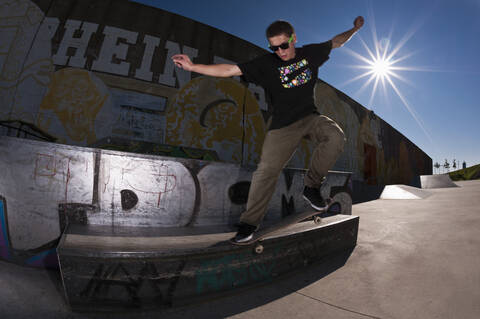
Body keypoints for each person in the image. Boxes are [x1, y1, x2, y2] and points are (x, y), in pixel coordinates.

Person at [172, 16, 365, 244]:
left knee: (335, 136)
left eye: (284, 45)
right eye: (274, 47)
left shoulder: (310, 54)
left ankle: (311, 186)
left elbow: (337, 42)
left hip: (310, 117)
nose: (280, 52)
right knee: (266, 172)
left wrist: (354, 29)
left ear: (293, 39)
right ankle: (248, 224)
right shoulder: (266, 64)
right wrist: (194, 66)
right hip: (282, 125)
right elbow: (230, 69)